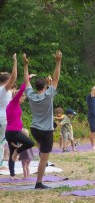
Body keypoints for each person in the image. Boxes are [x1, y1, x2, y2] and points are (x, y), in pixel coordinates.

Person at [24, 51, 62, 189]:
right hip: (46, 130)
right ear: (45, 87)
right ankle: (39, 183)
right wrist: (58, 61)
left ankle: (41, 151)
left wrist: (25, 65)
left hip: (35, 129)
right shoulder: (48, 95)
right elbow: (56, 78)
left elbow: (26, 81)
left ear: (36, 87)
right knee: (44, 159)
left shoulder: (31, 96)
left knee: (41, 148)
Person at [5, 71, 34, 180]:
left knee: (12, 154)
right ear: (18, 97)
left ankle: (12, 175)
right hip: (13, 132)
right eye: (23, 98)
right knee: (30, 143)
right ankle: (17, 151)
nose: (23, 100)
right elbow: (22, 89)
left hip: (12, 132)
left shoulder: (13, 105)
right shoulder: (13, 102)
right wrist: (28, 79)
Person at [0, 54, 17, 167]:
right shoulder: (3, 89)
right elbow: (14, 77)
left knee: (2, 141)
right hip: (3, 118)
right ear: (6, 81)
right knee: (2, 142)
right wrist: (15, 62)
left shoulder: (5, 91)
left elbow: (17, 92)